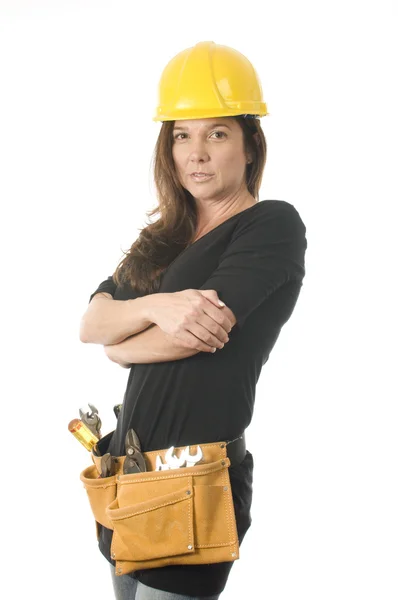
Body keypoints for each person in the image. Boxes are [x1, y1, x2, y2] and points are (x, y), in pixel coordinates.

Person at [80, 41, 307, 600]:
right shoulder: (164, 236)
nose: (197, 153)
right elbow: (91, 322)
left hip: (195, 481)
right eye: (182, 135)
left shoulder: (270, 225)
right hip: (128, 476)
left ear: (251, 145)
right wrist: (155, 306)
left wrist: (122, 343)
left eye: (217, 133)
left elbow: (188, 336)